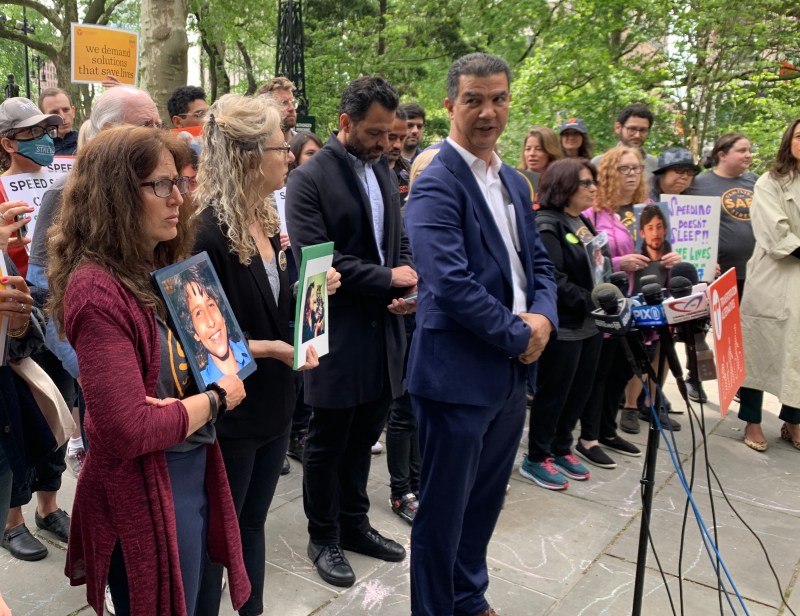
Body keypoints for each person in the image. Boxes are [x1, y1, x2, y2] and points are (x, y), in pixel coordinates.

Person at [47, 125, 249, 615]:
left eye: (180, 181)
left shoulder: (160, 268)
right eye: (161, 184)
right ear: (117, 194)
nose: (178, 196)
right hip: (149, 486)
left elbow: (220, 356)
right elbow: (128, 428)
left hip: (190, 463)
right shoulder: (97, 291)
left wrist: (202, 393)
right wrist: (215, 400)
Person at [405, 52, 558, 616]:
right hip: (456, 377)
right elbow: (449, 283)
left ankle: (468, 598)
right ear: (451, 105)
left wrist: (543, 318)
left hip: (509, 375)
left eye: (497, 98)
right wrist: (521, 336)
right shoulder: (436, 183)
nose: (487, 111)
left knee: (485, 504)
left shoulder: (514, 182)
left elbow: (537, 264)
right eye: (474, 99)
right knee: (443, 515)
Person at [193, 93, 337, 615]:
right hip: (230, 410)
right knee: (217, 535)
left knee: (251, 523)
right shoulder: (203, 231)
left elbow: (279, 298)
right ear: (250, 156)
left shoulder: (268, 216)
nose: (292, 155)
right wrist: (274, 348)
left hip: (276, 403)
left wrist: (316, 289)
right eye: (282, 146)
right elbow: (200, 338)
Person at [286, 76, 413, 589]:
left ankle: (355, 523)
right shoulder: (309, 178)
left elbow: (397, 241)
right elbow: (317, 258)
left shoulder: (383, 171)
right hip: (332, 330)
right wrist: (387, 278)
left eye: (392, 135)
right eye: (377, 133)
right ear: (346, 123)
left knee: (365, 436)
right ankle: (324, 534)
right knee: (328, 440)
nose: (387, 144)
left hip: (385, 329)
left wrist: (406, 282)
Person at [520, 158, 607, 485]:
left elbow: (597, 264)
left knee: (579, 392)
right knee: (554, 393)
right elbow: (552, 278)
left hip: (591, 324)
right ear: (563, 186)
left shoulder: (581, 221)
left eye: (592, 182)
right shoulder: (548, 223)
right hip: (565, 325)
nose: (592, 188)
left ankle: (561, 448)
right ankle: (537, 456)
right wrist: (590, 300)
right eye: (585, 183)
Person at [586, 146, 680, 435]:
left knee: (629, 369)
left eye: (636, 168)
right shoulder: (594, 213)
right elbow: (586, 261)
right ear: (609, 173)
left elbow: (662, 249)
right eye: (623, 169)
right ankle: (591, 434)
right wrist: (619, 261)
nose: (631, 175)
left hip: (643, 304)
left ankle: (607, 431)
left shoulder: (650, 208)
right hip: (611, 307)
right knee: (602, 374)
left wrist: (672, 259)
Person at [737, 118, 800, 453]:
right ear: (789, 140)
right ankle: (752, 419)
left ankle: (793, 420)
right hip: (776, 276)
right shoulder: (770, 182)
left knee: (799, 355)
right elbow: (775, 232)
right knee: (759, 349)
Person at [685, 133, 756, 300]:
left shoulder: (755, 181)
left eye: (749, 150)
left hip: (756, 272)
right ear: (722, 155)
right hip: (719, 274)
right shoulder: (697, 184)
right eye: (742, 150)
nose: (748, 155)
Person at [177, 265, 252, 384]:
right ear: (195, 333)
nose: (211, 321)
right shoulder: (205, 386)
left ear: (223, 316)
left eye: (211, 305)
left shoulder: (248, 352)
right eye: (198, 313)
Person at [592, 104, 658, 180]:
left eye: (643, 130)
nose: (637, 135)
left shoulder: (655, 165)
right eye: (632, 129)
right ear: (618, 128)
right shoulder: (599, 163)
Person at [519, 126, 562, 190]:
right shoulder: (517, 179)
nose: (532, 154)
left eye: (539, 149)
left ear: (550, 152)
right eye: (528, 149)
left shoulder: (561, 181)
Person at [38, 87, 78, 155]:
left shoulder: (87, 144)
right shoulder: (36, 150)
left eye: (66, 110)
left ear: (73, 112)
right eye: (54, 112)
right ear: (43, 117)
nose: (62, 117)